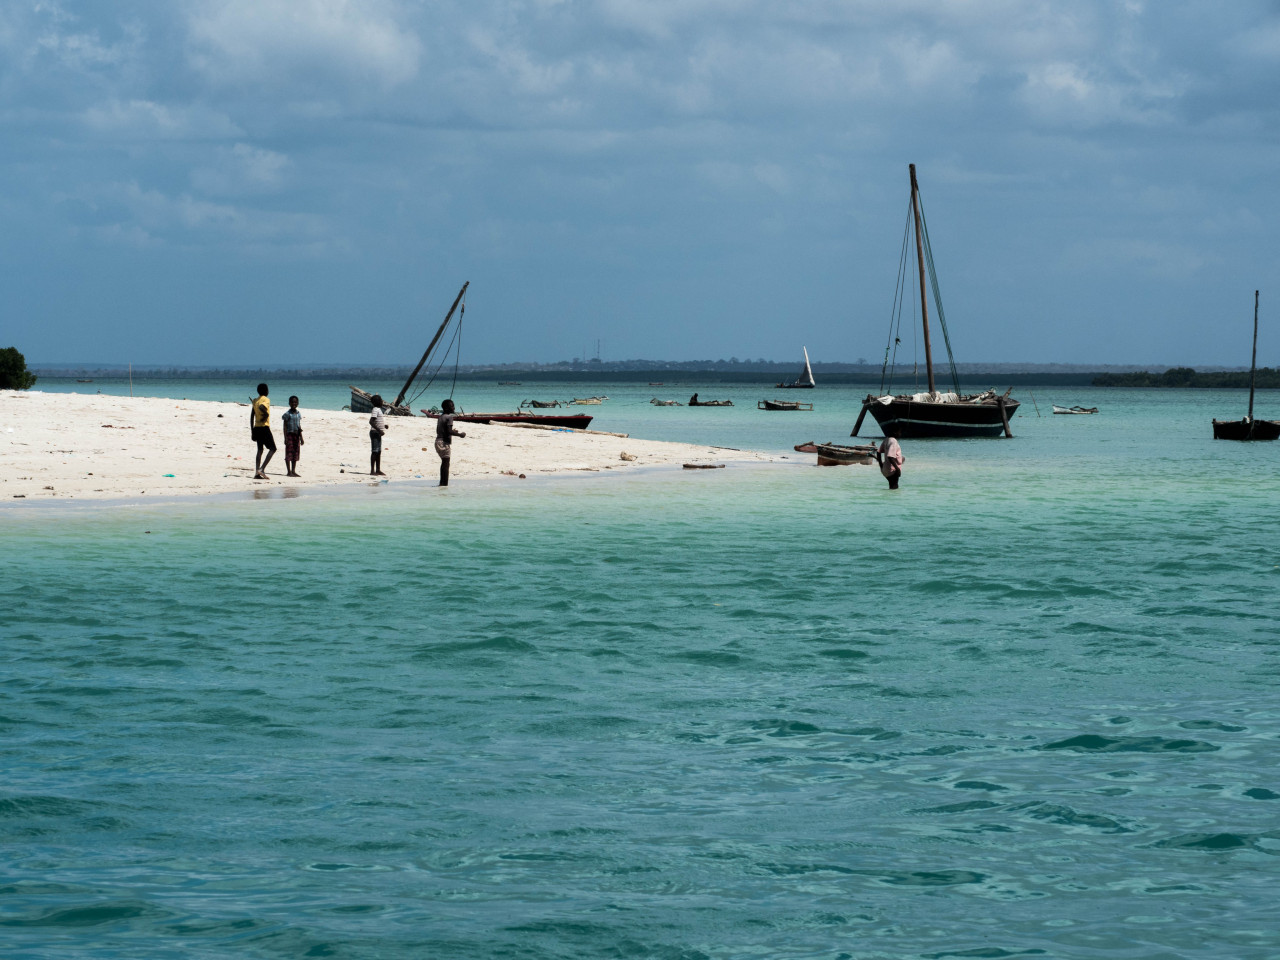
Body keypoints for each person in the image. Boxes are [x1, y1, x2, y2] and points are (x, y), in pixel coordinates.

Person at [434, 398, 466, 486]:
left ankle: (442, 483)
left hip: (437, 442)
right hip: (444, 443)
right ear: (447, 408)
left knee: (444, 463)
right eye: (452, 406)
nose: (454, 408)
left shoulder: (441, 417)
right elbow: (448, 431)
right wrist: (460, 434)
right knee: (446, 464)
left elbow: (439, 430)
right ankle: (444, 484)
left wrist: (452, 431)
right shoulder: (449, 417)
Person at [250, 383, 275, 480]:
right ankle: (262, 469)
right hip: (264, 427)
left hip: (256, 427)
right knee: (273, 448)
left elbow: (252, 416)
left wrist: (252, 431)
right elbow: (262, 407)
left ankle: (257, 473)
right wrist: (266, 414)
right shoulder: (266, 399)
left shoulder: (255, 401)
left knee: (260, 450)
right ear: (266, 391)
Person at [281, 395, 303, 477]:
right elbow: (285, 426)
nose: (294, 403)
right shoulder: (287, 414)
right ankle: (288, 471)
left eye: (295, 402)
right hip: (289, 435)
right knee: (289, 453)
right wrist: (285, 438)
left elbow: (299, 426)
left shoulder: (298, 414)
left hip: (296, 436)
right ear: (289, 403)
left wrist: (301, 437)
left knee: (295, 453)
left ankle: (293, 471)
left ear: (298, 403)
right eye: (292, 402)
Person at [369, 395, 387, 476]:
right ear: (377, 402)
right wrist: (379, 430)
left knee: (379, 451)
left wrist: (384, 426)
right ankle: (372, 471)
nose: (382, 402)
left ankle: (378, 470)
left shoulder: (379, 410)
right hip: (375, 433)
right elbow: (371, 422)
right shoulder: (375, 410)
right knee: (374, 452)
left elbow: (378, 421)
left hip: (378, 433)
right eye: (381, 400)